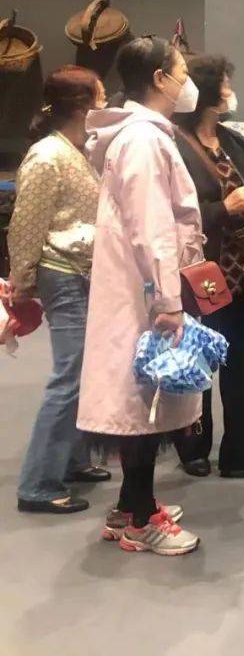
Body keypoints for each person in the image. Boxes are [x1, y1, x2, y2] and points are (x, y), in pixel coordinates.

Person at [78, 36, 204, 556]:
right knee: (145, 401)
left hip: (137, 288)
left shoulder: (138, 136)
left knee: (143, 399)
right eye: (181, 72)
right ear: (159, 79)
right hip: (145, 293)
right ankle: (140, 518)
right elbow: (153, 228)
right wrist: (167, 301)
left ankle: (131, 505)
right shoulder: (145, 141)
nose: (186, 83)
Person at [170, 54, 244, 479]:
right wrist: (223, 208)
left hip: (240, 270)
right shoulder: (174, 144)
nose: (231, 90)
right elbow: (170, 213)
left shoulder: (233, 141)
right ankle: (193, 447)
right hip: (199, 270)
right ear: (207, 92)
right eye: (225, 83)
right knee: (197, 357)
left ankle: (243, 453)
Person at [10, 66, 108, 514]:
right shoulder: (48, 155)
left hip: (82, 271)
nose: (105, 105)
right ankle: (38, 484)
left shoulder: (78, 151)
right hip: (62, 272)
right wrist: (22, 280)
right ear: (83, 106)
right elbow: (26, 225)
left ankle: (72, 459)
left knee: (83, 371)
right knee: (70, 374)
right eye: (100, 97)